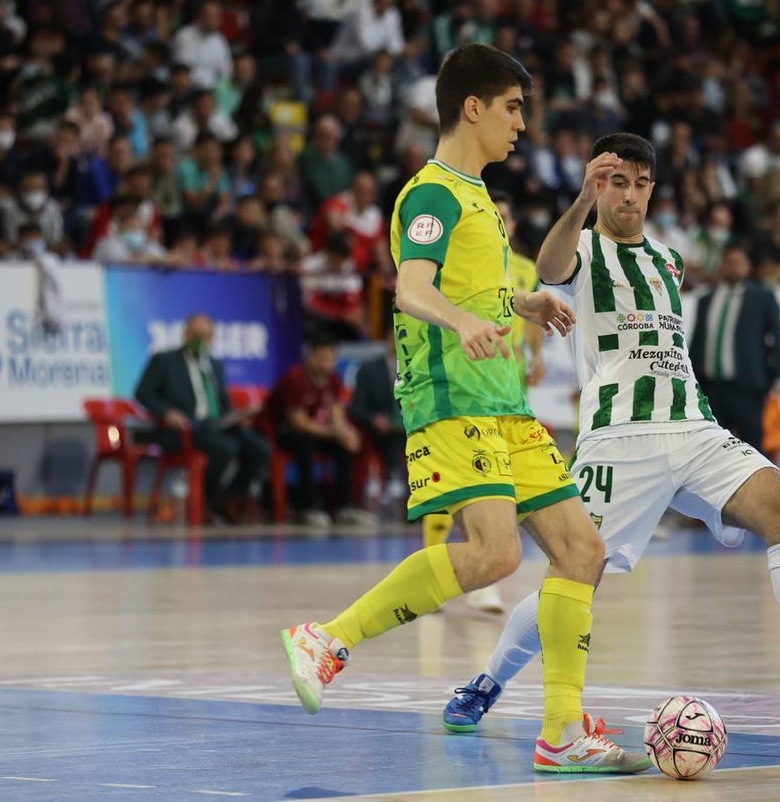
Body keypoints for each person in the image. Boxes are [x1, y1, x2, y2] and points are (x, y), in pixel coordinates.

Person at [442, 132, 780, 736]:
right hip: (618, 439)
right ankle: (487, 681)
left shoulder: (669, 260)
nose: (628, 195)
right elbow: (551, 268)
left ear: (651, 189)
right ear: (599, 186)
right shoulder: (582, 250)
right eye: (615, 182)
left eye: (638, 183)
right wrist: (581, 198)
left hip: (692, 429)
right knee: (575, 577)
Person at [280, 44, 648, 775]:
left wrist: (521, 302)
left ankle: (562, 734)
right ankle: (328, 639)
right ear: (472, 107)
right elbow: (412, 288)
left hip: (504, 402)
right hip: (449, 398)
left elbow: (473, 287)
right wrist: (463, 324)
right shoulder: (432, 193)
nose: (521, 124)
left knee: (582, 552)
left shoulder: (477, 194)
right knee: (494, 553)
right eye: (513, 108)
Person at [421, 192, 547, 615]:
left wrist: (538, 356)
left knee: (501, 480)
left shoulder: (525, 270)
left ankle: (486, 577)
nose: (503, 222)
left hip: (508, 383)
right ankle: (441, 567)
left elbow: (528, 321)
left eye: (507, 216)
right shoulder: (462, 262)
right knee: (459, 481)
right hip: (468, 378)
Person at [135, 313, 270, 522]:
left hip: (218, 425)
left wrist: (238, 416)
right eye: (196, 334)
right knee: (225, 448)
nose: (200, 340)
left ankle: (228, 499)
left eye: (206, 335)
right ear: (186, 334)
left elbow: (222, 403)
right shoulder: (164, 360)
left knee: (259, 448)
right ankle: (206, 503)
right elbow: (143, 393)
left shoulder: (215, 365)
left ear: (213, 338)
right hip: (185, 429)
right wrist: (167, 412)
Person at [690, 244, 780, 450]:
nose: (733, 268)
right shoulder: (706, 299)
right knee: (712, 448)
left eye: (739, 263)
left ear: (748, 267)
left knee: (751, 449)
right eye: (729, 262)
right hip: (712, 388)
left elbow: (778, 336)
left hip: (748, 386)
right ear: (721, 266)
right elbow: (698, 341)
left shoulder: (761, 297)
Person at [267, 337, 371, 528]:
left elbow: (336, 412)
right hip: (285, 432)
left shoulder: (334, 380)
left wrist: (345, 433)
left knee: (344, 445)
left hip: (320, 431)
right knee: (305, 442)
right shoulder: (294, 379)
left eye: (331, 359)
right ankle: (308, 507)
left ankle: (344, 507)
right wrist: (335, 433)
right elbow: (299, 422)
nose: (327, 364)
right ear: (310, 357)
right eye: (322, 358)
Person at [348, 327, 407, 508]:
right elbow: (356, 407)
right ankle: (395, 484)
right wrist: (374, 419)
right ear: (388, 340)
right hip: (380, 431)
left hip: (414, 427)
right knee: (395, 437)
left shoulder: (420, 369)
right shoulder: (369, 370)